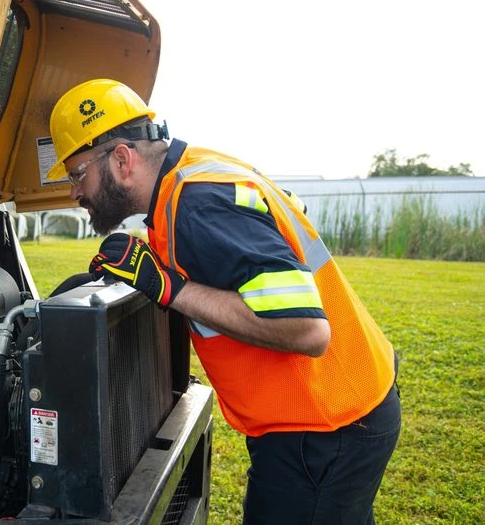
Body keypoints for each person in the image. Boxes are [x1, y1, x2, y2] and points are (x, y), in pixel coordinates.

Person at [46, 79, 401, 524]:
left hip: (325, 427)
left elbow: (308, 330)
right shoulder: (193, 177)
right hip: (338, 408)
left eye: (77, 175)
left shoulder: (197, 202)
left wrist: (169, 288)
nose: (74, 192)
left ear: (121, 159)